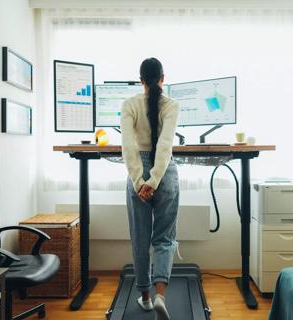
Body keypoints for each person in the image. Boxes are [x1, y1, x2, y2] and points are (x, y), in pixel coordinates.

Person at [121, 57, 180, 320]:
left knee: (140, 238)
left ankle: (145, 298)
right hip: (165, 171)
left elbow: (128, 147)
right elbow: (165, 146)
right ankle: (161, 297)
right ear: (163, 78)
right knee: (164, 237)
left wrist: (139, 181)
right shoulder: (172, 105)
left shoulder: (130, 105)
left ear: (141, 80)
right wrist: (155, 179)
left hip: (139, 171)